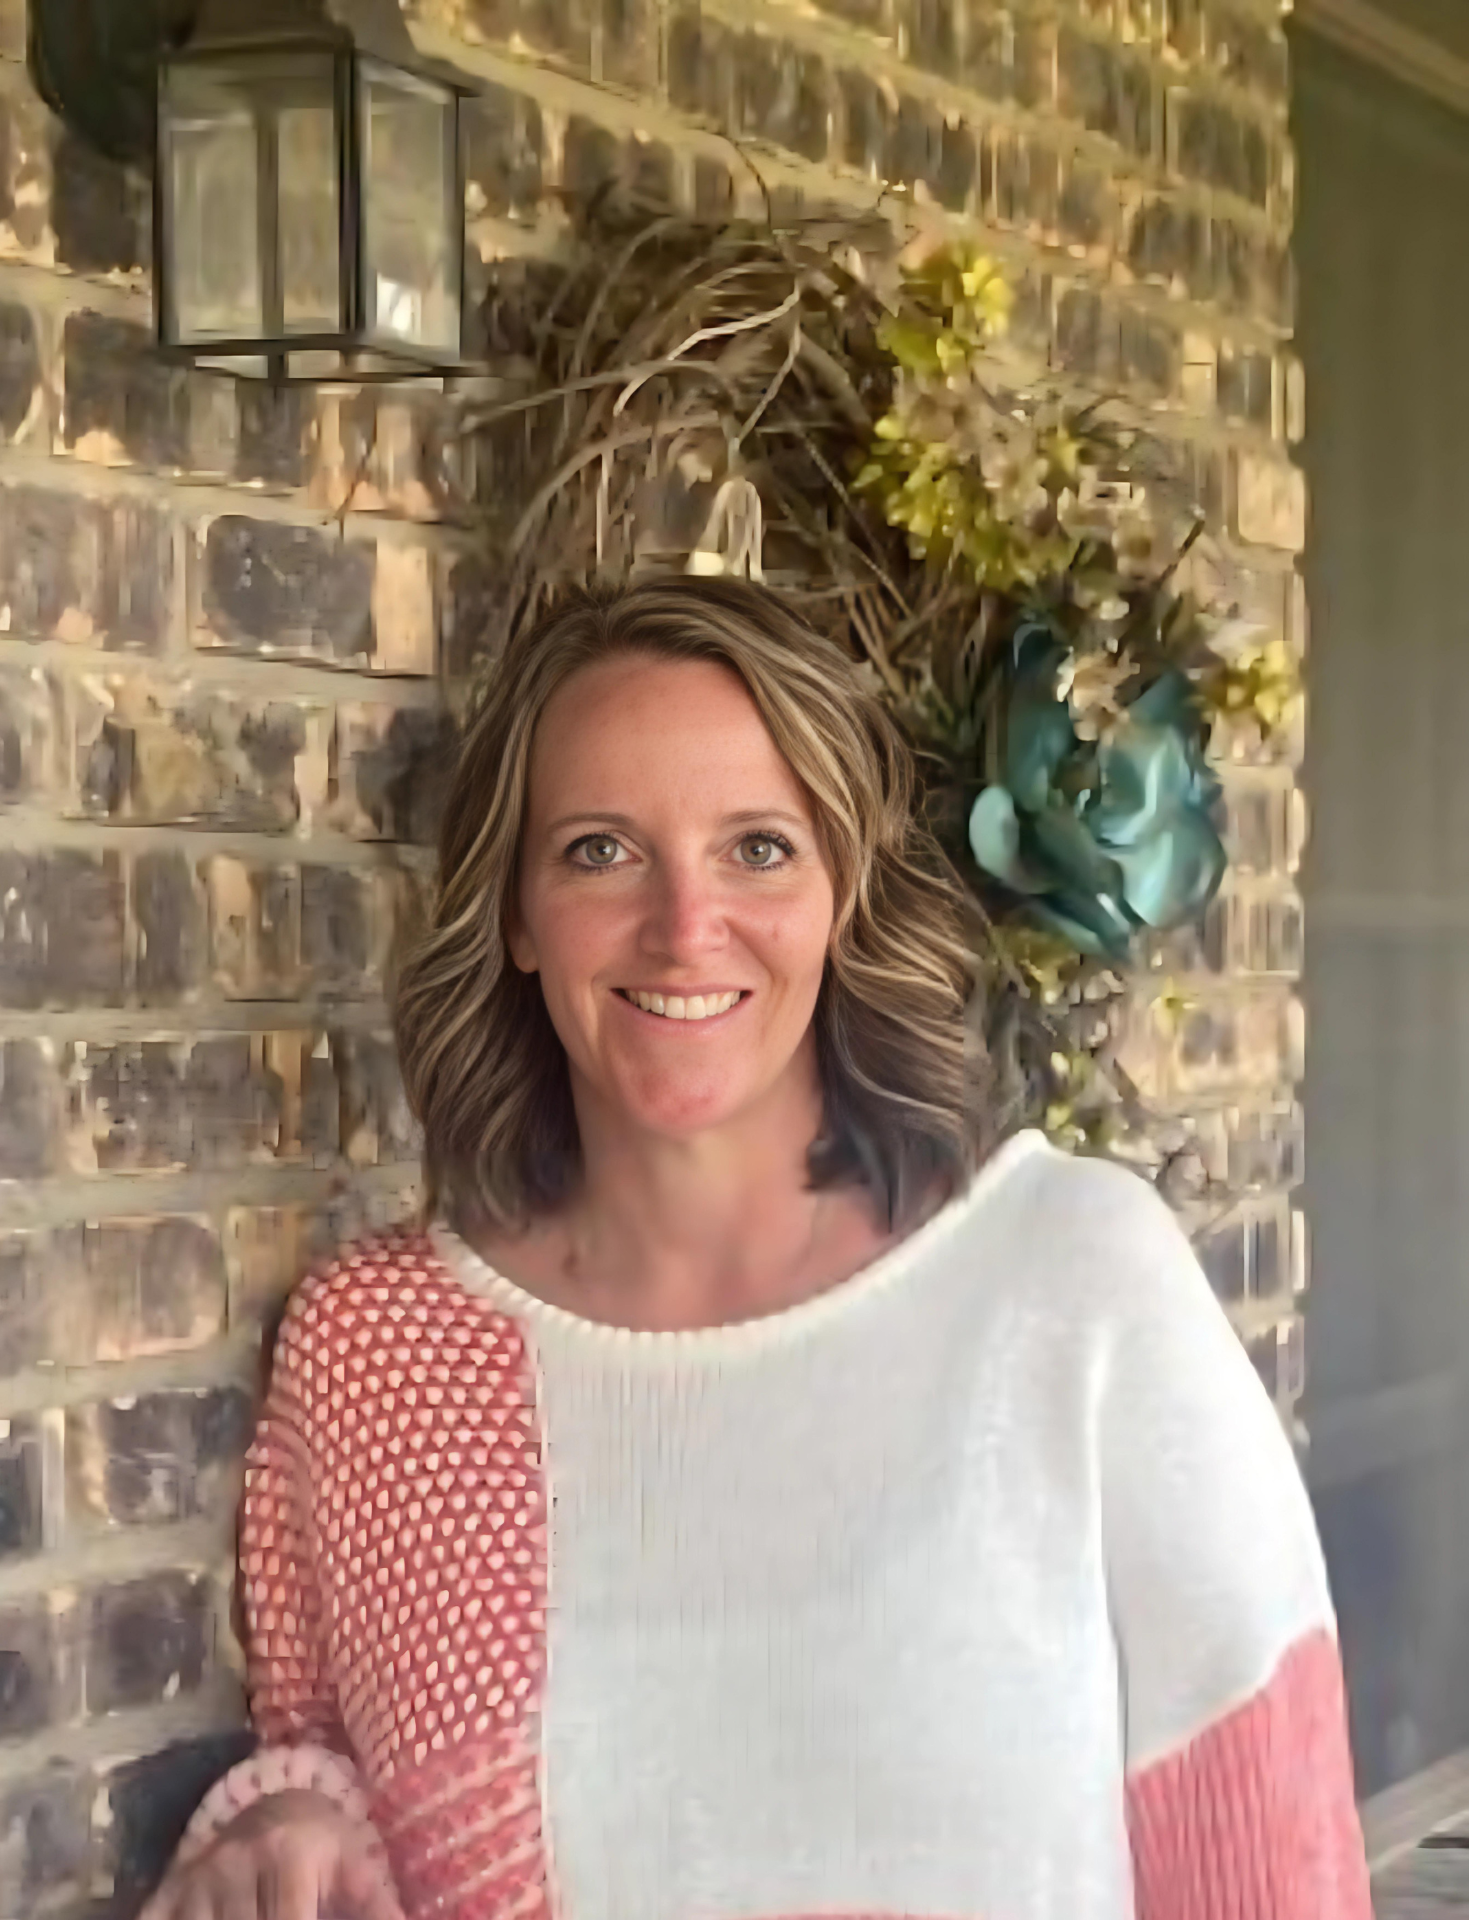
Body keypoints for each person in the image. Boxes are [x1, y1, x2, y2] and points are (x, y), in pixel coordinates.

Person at [143, 578, 1373, 1920]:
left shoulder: (1067, 1285)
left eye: (758, 848)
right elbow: (322, 1765)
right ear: (514, 911)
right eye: (602, 851)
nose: (685, 926)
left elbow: (1276, 1865)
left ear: (842, 890)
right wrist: (289, 1826)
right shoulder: (379, 1354)